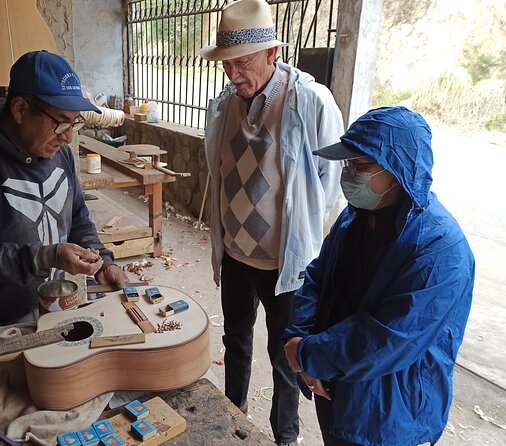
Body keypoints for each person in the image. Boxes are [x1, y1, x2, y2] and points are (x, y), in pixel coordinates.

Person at [283, 106, 475, 445]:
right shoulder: (355, 216)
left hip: (388, 418)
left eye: (361, 166)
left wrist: (307, 355)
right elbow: (318, 277)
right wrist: (302, 339)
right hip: (333, 384)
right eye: (347, 164)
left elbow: (386, 339)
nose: (349, 175)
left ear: (400, 171)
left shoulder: (440, 250)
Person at [200, 0, 344, 443]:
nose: (233, 74)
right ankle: (233, 419)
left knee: (286, 358)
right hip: (238, 256)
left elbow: (329, 182)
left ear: (273, 54)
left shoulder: (309, 102)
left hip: (287, 265)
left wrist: (302, 236)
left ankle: (285, 437)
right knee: (236, 343)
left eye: (242, 63)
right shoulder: (225, 104)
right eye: (227, 65)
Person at [0, 50, 129, 340]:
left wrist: (104, 264)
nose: (68, 136)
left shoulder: (59, 153)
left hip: (50, 305)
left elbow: (77, 217)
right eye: (60, 122)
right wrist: (45, 257)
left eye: (74, 123)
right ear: (20, 110)